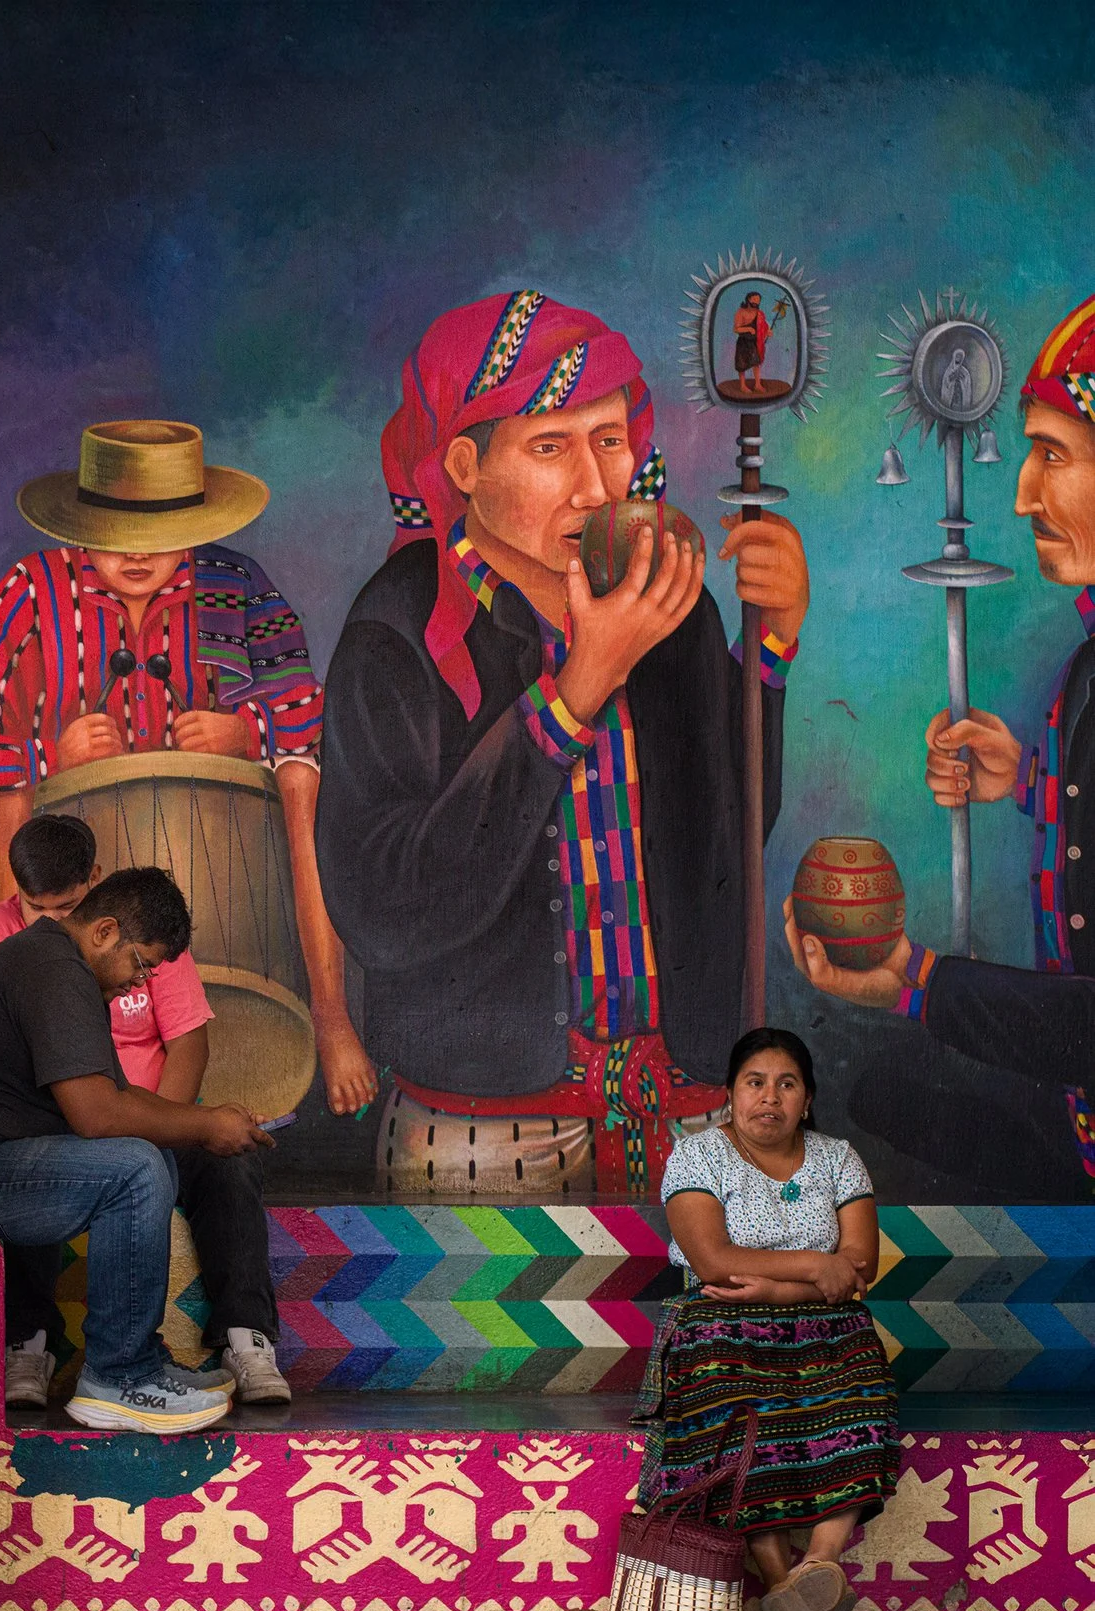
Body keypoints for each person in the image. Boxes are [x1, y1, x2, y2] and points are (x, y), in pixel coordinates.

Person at [319, 289, 813, 1198]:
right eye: (551, 447)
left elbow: (731, 845)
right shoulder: (396, 632)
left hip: (690, 1112)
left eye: (611, 440)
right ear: (465, 465)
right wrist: (574, 693)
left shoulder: (671, 603)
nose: (596, 485)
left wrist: (771, 648)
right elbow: (383, 906)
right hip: (482, 1128)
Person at [0, 418, 377, 1117]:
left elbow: (308, 706)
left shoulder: (236, 584)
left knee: (302, 775)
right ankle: (22, 1020)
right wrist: (52, 754)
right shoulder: (32, 588)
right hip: (69, 837)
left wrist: (246, 730)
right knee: (1, 801)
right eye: (118, 533)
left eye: (163, 532)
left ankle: (329, 1015)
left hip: (218, 848)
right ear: (82, 524)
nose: (139, 553)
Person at [791, 290, 1095, 1199]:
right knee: (876, 1102)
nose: (1023, 494)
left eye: (1054, 456)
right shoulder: (1087, 664)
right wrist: (1032, 783)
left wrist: (918, 980)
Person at [0, 814, 289, 1409]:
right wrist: (206, 1123)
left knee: (147, 1155)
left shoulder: (64, 967)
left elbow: (122, 1098)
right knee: (134, 1168)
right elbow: (96, 1116)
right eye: (140, 965)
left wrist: (211, 1124)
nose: (139, 983)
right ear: (103, 932)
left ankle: (142, 1360)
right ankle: (120, 1377)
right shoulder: (52, 969)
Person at [646, 1028, 897, 1611]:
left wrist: (779, 1289)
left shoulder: (838, 1158)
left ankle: (815, 1568)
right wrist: (815, 1265)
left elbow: (859, 1265)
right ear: (731, 1095)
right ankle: (788, 1588)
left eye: (787, 1084)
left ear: (807, 1100)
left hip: (827, 1324)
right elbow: (714, 1261)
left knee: (861, 1407)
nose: (770, 1097)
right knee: (744, 1422)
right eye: (754, 1082)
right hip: (722, 1323)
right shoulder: (698, 1157)